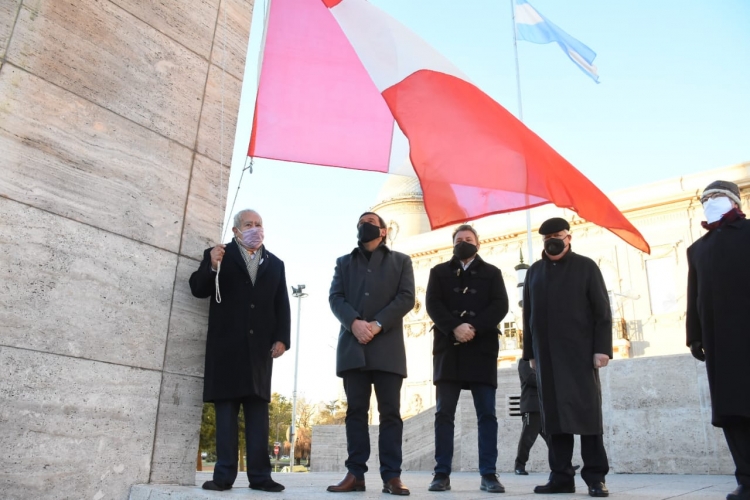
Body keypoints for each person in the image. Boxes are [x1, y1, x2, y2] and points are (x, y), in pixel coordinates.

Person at [189, 209, 290, 493]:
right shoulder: (218, 254)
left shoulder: (276, 264)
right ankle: (223, 476)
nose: (255, 228)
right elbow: (198, 289)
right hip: (226, 350)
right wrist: (210, 266)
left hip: (260, 352)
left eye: (259, 224)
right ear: (236, 230)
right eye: (248, 224)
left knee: (258, 416)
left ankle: (260, 476)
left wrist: (282, 338)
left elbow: (282, 303)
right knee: (226, 416)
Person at [522, 217, 612, 497]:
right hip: (546, 355)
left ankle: (595, 477)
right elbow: (528, 317)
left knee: (587, 416)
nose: (553, 239)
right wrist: (530, 353)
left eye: (557, 234)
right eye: (547, 236)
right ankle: (561, 476)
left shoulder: (586, 266)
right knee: (554, 418)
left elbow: (602, 310)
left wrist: (602, 348)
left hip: (580, 353)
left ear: (568, 237)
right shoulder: (534, 272)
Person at [327, 211, 415, 496]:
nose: (364, 227)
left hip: (387, 348)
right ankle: (356, 474)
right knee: (355, 413)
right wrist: (354, 323)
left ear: (384, 231)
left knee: (390, 413)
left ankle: (392, 476)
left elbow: (406, 297)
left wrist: (376, 325)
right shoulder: (344, 262)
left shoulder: (401, 261)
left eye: (370, 223)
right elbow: (335, 297)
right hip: (353, 348)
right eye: (361, 224)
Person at [425, 224, 509, 493]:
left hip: (481, 350)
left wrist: (473, 328)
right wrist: (454, 327)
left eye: (469, 239)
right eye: (459, 239)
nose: (464, 242)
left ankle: (489, 474)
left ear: (478, 244)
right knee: (443, 415)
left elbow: (500, 305)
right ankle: (441, 474)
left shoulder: (493, 273)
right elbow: (432, 304)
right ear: (453, 243)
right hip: (448, 350)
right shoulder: (438, 272)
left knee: (487, 415)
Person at [686, 180, 750, 500]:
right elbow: (693, 296)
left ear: (734, 201)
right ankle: (747, 480)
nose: (709, 201)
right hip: (720, 343)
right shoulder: (697, 249)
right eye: (704, 198)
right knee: (732, 413)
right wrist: (694, 336)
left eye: (716, 196)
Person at [514, 358, 547, 475]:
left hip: (545, 406)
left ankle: (563, 465)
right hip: (531, 405)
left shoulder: (542, 360)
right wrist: (550, 380)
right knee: (527, 438)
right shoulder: (525, 361)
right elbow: (530, 378)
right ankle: (519, 465)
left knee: (553, 438)